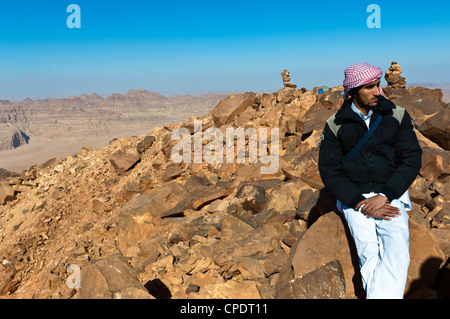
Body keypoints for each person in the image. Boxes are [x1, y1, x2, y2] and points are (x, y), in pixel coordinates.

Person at [318, 62, 422, 299]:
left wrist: (385, 195)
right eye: (369, 87)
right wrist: (359, 203)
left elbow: (411, 159)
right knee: (368, 254)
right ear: (354, 91)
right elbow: (329, 170)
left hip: (390, 195)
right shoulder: (335, 124)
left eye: (378, 85)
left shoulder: (396, 115)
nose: (378, 92)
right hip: (355, 198)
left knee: (398, 255)